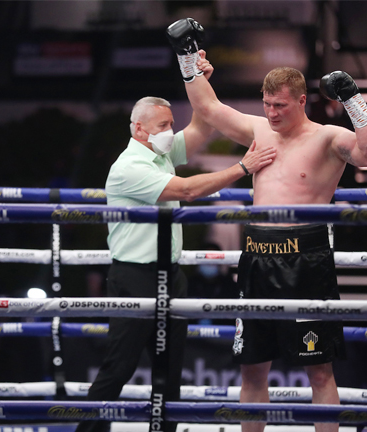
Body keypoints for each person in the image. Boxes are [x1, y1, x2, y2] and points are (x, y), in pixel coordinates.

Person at [166, 18, 367, 432]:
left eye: (279, 106)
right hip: (258, 257)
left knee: (319, 372)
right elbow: (209, 109)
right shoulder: (258, 130)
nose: (271, 113)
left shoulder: (326, 138)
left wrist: (354, 102)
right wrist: (186, 58)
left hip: (307, 258)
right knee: (252, 370)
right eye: (266, 104)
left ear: (302, 101)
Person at [75, 55, 277, 432]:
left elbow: (204, 126)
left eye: (170, 123)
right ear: (139, 129)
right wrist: (243, 168)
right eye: (164, 125)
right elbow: (185, 190)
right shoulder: (129, 167)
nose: (171, 130)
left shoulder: (161, 153)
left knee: (169, 372)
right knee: (118, 367)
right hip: (134, 278)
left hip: (171, 275)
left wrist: (197, 79)